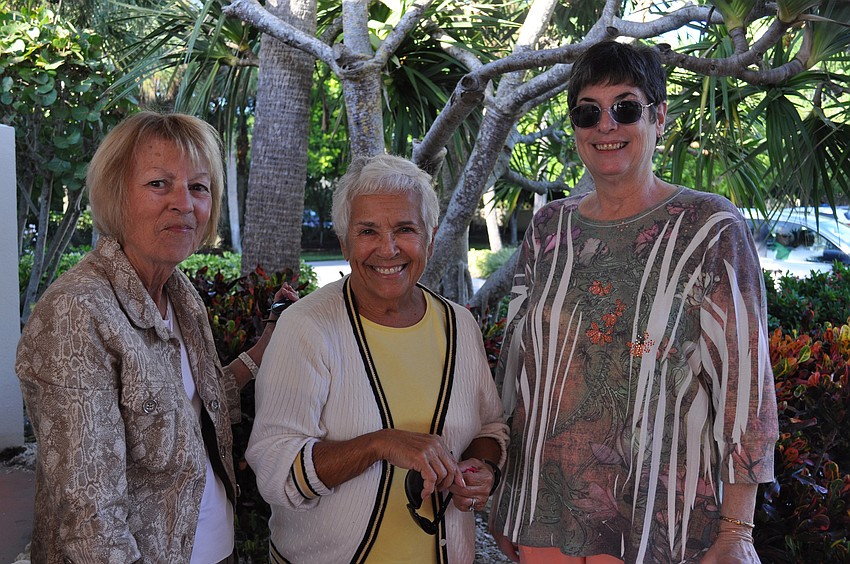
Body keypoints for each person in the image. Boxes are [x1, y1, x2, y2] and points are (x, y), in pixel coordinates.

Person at [489, 41, 779, 564]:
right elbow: (519, 371)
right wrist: (509, 499)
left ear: (659, 116)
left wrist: (738, 530)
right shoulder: (548, 230)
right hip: (543, 516)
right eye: (588, 112)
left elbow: (745, 388)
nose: (607, 126)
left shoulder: (709, 229)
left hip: (658, 523)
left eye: (626, 108)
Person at [15, 111, 299, 563]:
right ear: (117, 194)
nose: (184, 203)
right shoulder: (78, 312)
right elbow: (90, 517)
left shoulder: (178, 293)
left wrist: (264, 347)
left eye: (198, 187)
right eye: (159, 184)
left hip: (213, 547)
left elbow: (183, 410)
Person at [246, 154, 509, 563]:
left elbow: (490, 426)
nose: (387, 249)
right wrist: (381, 444)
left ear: (431, 238)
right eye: (368, 231)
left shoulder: (459, 326)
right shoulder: (307, 327)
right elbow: (275, 469)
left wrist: (481, 469)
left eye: (405, 229)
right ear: (345, 241)